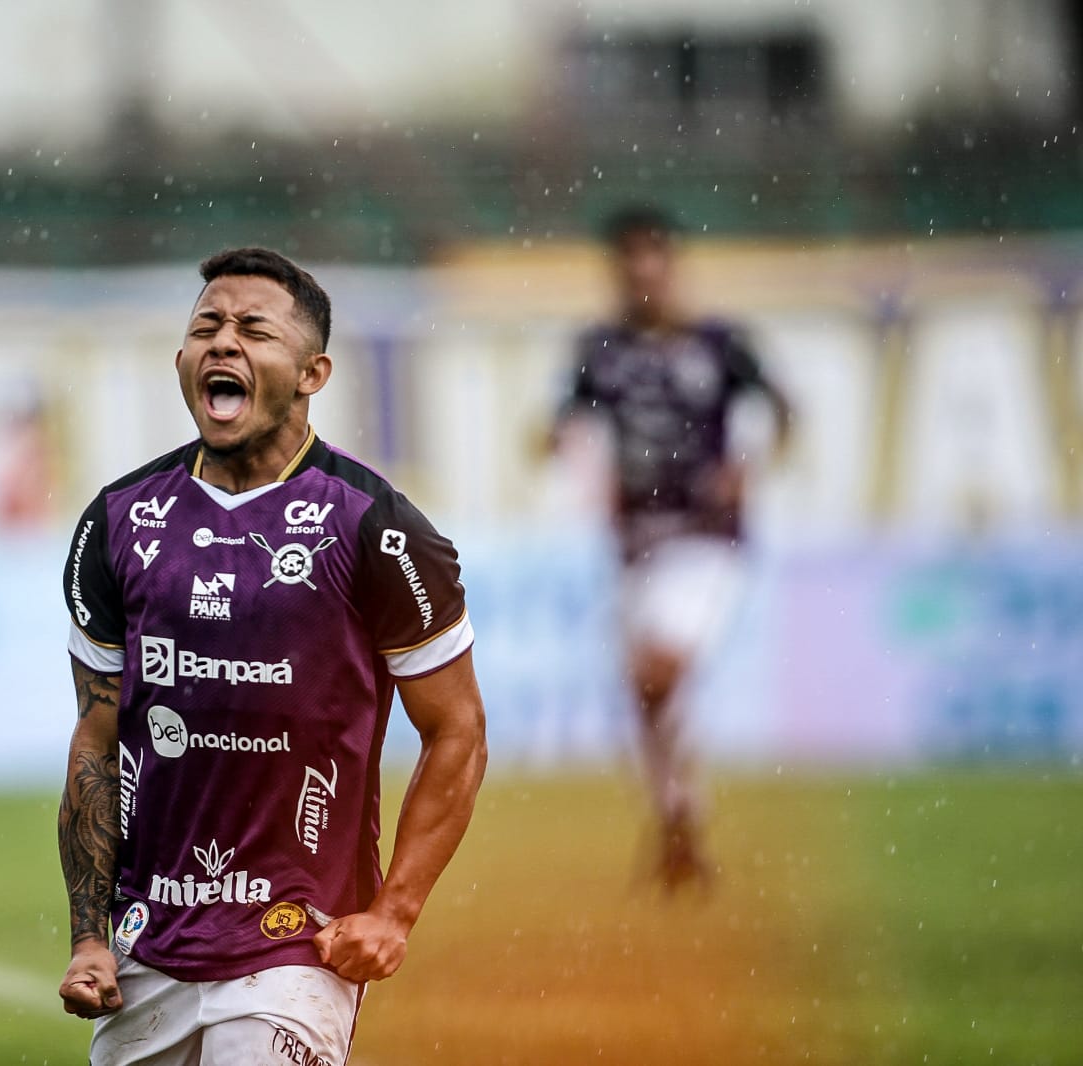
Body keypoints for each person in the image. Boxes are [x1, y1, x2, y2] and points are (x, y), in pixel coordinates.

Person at [58, 247, 488, 1064]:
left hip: (298, 947)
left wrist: (394, 913)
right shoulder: (116, 523)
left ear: (312, 373)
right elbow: (96, 743)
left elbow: (458, 731)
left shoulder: (378, 530)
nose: (223, 344)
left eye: (253, 330)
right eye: (205, 328)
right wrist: (90, 936)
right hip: (149, 948)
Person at [546, 207, 793, 892]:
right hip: (635, 549)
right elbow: (561, 425)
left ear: (672, 264)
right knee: (645, 692)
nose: (643, 275)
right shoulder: (599, 350)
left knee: (658, 674)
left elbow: (782, 411)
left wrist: (748, 464)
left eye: (653, 258)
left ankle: (681, 815)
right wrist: (570, 459)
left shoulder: (720, 343)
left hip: (708, 543)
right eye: (630, 262)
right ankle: (678, 819)